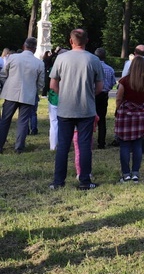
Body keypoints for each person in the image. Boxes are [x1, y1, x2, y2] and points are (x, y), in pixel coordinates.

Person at [49, 29, 104, 190]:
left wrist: (65, 94)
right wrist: (87, 94)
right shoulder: (93, 59)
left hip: (65, 108)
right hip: (86, 108)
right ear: (87, 41)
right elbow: (100, 87)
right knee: (85, 145)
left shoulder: (61, 58)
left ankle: (58, 181)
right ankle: (85, 181)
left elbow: (53, 84)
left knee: (63, 146)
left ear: (70, 41)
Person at [0, 37, 45, 154]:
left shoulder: (13, 57)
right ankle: (19, 147)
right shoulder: (39, 63)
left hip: (11, 93)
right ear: (35, 49)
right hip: (28, 94)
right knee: (23, 121)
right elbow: (41, 84)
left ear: (24, 46)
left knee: (5, 120)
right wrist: (35, 89)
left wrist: (7, 84)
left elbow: (4, 73)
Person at [114, 55, 144, 182]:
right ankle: (135, 172)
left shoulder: (124, 81)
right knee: (137, 145)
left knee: (124, 145)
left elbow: (119, 98)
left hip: (125, 114)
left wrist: (118, 108)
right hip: (140, 114)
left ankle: (126, 174)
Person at [94, 48, 116, 149]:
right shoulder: (110, 69)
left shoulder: (92, 67)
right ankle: (101, 142)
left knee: (89, 118)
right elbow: (112, 84)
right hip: (104, 95)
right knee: (102, 119)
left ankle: (88, 141)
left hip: (93, 94)